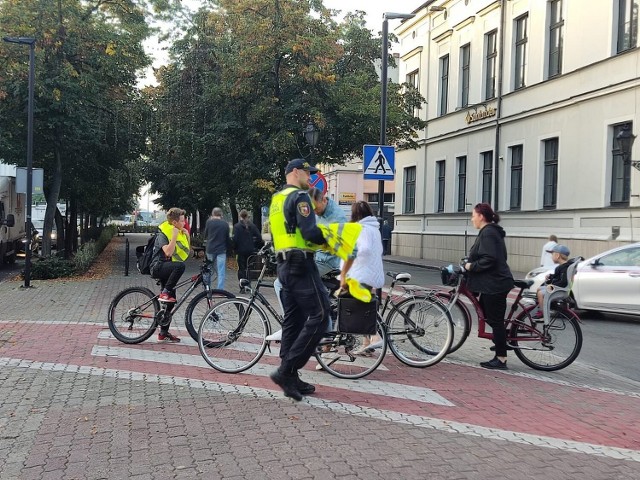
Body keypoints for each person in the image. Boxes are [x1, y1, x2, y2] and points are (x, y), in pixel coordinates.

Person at [268, 158, 330, 401]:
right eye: (307, 172)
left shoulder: (277, 199)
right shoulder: (300, 197)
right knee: (321, 316)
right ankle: (286, 371)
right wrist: (332, 241)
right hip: (301, 264)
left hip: (283, 265)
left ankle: (291, 376)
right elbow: (310, 232)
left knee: (293, 321)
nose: (310, 177)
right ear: (295, 172)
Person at [266, 187, 346, 345]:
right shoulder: (322, 213)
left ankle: (291, 325)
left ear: (323, 199)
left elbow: (328, 242)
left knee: (281, 283)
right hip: (320, 258)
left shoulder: (335, 217)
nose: (314, 212)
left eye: (316, 208)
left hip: (326, 261)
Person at [464, 203, 514, 370]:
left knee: (496, 320)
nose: (472, 219)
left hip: (495, 283)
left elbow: (490, 258)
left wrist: (472, 266)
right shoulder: (490, 232)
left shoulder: (489, 233)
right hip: (492, 283)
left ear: (481, 216)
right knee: (488, 314)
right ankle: (501, 341)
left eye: (473, 215)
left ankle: (501, 358)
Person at [339, 201, 385, 355]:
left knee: (357, 308)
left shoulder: (363, 229)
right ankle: (366, 344)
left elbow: (363, 249)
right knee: (363, 305)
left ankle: (375, 337)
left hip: (362, 274)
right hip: (371, 273)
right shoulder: (374, 228)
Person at [149, 207, 190, 343]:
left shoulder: (178, 231)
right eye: (182, 221)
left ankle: (163, 332)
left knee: (171, 303)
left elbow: (186, 253)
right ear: (174, 222)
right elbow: (168, 253)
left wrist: (187, 235)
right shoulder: (163, 234)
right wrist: (173, 236)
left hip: (167, 268)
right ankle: (165, 292)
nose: (184, 223)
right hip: (158, 267)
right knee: (180, 266)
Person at [533, 244, 571, 319]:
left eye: (552, 254)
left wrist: (551, 285)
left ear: (557, 255)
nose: (551, 256)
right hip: (559, 289)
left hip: (559, 290)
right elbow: (558, 277)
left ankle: (542, 312)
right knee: (539, 289)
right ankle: (543, 306)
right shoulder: (563, 267)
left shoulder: (564, 267)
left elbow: (563, 281)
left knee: (540, 293)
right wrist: (551, 276)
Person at [232, 209, 261, 289]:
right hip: (251, 250)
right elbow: (259, 237)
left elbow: (235, 239)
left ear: (240, 216)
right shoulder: (253, 226)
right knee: (249, 268)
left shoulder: (237, 227)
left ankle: (242, 286)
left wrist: (234, 248)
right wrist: (255, 246)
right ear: (247, 216)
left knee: (241, 268)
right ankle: (248, 284)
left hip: (240, 251)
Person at [203, 207, 230, 290]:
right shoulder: (225, 224)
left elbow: (205, 234)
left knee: (208, 269)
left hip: (210, 249)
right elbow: (227, 237)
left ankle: (207, 288)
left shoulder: (209, 222)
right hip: (221, 249)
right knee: (221, 270)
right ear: (221, 214)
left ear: (212, 214)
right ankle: (220, 289)